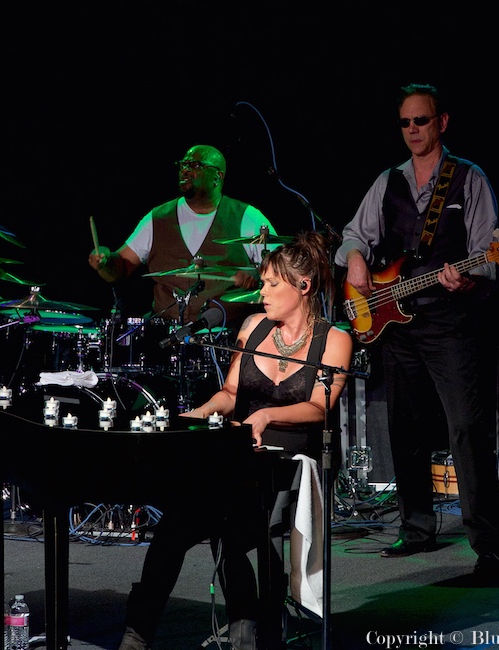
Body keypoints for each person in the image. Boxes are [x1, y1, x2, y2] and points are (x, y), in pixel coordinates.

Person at [118, 231, 353, 650]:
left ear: (304, 287)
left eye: (271, 284)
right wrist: (195, 415)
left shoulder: (333, 339)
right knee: (176, 525)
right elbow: (230, 394)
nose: (262, 291)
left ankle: (249, 626)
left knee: (233, 526)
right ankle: (137, 633)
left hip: (293, 461)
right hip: (241, 453)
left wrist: (266, 415)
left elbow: (319, 408)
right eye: (262, 283)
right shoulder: (252, 328)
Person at [335, 83, 499, 579]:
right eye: (406, 123)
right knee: (404, 427)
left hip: (451, 323)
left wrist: (468, 273)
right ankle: (416, 529)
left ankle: (491, 549)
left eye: (422, 121)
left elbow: (491, 255)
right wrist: (353, 258)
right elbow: (354, 234)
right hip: (397, 322)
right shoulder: (388, 181)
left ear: (442, 123)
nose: (413, 130)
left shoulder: (469, 179)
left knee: (467, 430)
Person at [88, 144, 277, 328]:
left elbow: (283, 271)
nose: (185, 171)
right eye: (183, 165)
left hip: (227, 335)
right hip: (166, 336)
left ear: (217, 177)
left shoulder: (247, 217)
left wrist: (256, 275)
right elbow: (122, 265)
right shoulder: (157, 218)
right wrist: (105, 262)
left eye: (195, 165)